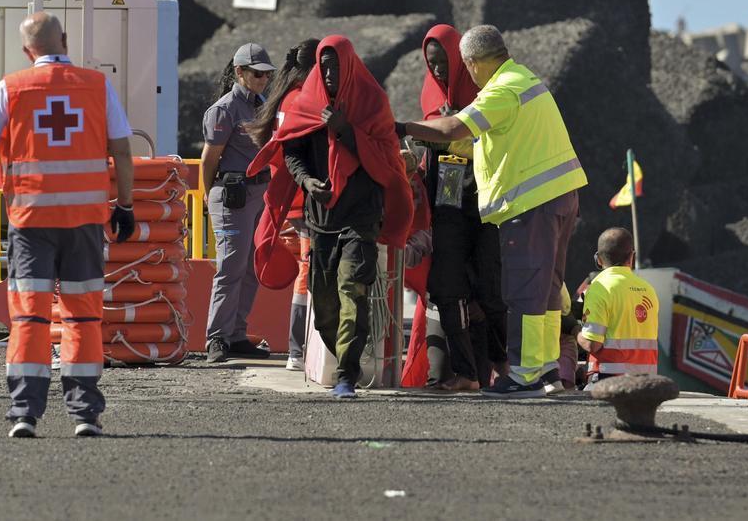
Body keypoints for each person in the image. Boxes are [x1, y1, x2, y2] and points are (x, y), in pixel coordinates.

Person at [0, 12, 135, 438]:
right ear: (64, 41)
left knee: (30, 319)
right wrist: (124, 206)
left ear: (26, 50)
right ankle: (85, 414)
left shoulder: (12, 88)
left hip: (31, 223)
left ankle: (24, 415)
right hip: (84, 223)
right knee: (83, 318)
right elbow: (122, 151)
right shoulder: (96, 86)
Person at [399, 25, 588, 398]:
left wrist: (400, 128)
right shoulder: (525, 79)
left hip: (531, 203)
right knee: (548, 289)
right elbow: (487, 143)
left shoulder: (501, 90)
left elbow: (455, 126)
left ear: (471, 62)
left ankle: (526, 375)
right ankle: (548, 369)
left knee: (523, 291)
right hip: (561, 196)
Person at [247, 35, 413, 399]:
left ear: (350, 65)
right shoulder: (307, 103)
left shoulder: (372, 102)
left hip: (361, 217)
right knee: (324, 305)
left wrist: (347, 131)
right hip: (320, 218)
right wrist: (306, 180)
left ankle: (346, 376)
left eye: (336, 66)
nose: (329, 73)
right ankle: (342, 358)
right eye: (323, 67)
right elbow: (292, 151)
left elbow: (386, 161)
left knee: (353, 290)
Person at [414, 24, 505, 391]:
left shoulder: (487, 97)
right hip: (447, 206)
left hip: (484, 205)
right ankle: (466, 374)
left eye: (443, 63)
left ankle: (506, 368)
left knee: (491, 289)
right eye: (430, 63)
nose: (437, 70)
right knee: (446, 287)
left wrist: (454, 127)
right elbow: (429, 155)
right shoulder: (429, 98)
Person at [246, 39, 319, 371]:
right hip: (303, 203)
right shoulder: (307, 100)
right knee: (307, 275)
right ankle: (298, 349)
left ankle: (298, 350)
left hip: (286, 205)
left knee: (303, 277)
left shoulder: (283, 100)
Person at [201, 43, 275, 363]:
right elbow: (209, 160)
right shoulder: (225, 108)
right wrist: (207, 198)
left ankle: (235, 334)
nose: (263, 80)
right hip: (234, 194)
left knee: (251, 267)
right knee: (231, 266)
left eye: (266, 75)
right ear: (239, 72)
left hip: (258, 192)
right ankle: (216, 338)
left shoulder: (262, 104)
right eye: (257, 74)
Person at [578, 228, 660, 385]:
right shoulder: (648, 290)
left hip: (608, 379)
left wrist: (575, 331)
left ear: (598, 259)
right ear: (632, 257)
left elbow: (591, 344)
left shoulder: (600, 288)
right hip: (647, 381)